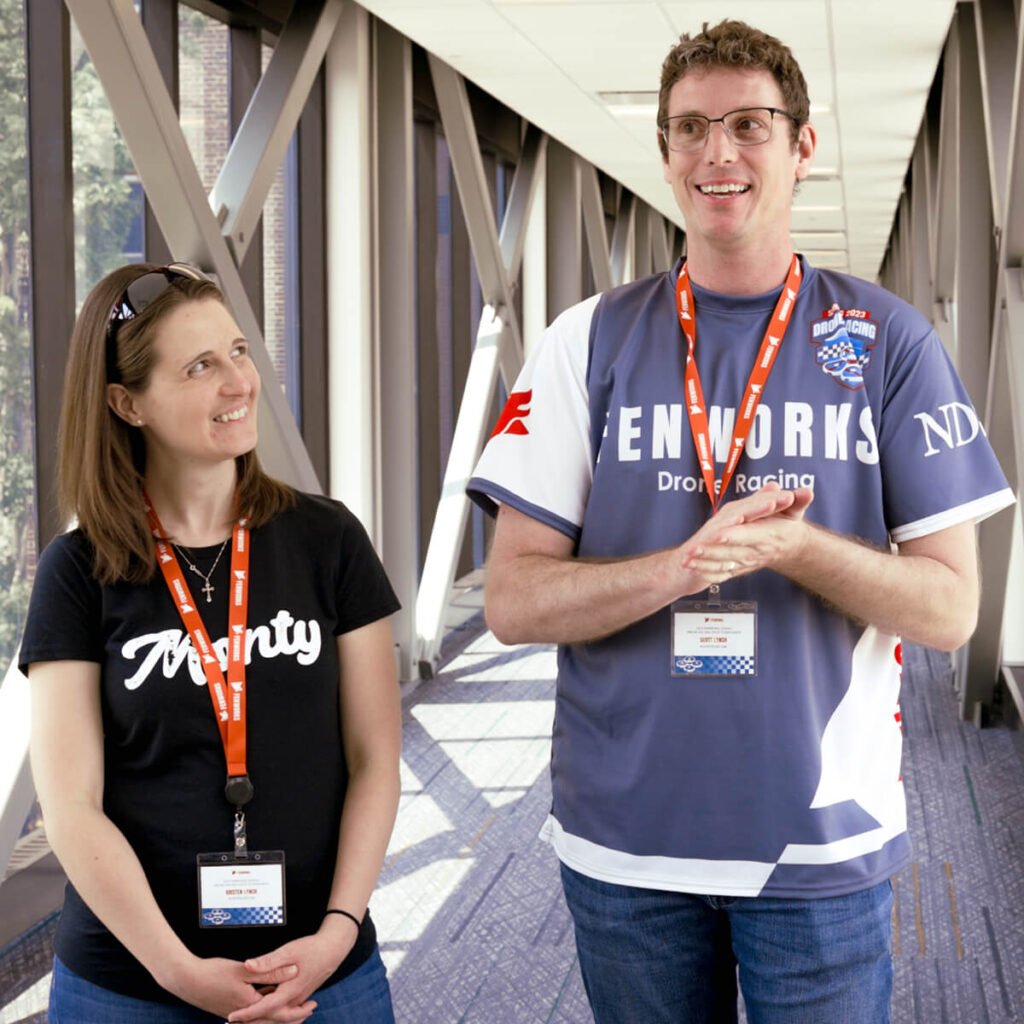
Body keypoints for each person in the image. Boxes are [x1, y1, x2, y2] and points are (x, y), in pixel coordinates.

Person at [468, 18, 1014, 1024]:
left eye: (748, 125)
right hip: (623, 838)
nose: (717, 153)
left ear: (802, 146)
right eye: (689, 129)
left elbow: (948, 611)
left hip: (821, 840)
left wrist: (798, 548)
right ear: (668, 153)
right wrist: (679, 567)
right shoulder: (582, 342)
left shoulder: (888, 341)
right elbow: (510, 598)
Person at [20, 262, 402, 1023]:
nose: (239, 383)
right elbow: (71, 808)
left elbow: (374, 760)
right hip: (130, 986)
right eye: (200, 366)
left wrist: (336, 932)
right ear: (127, 404)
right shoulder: (79, 572)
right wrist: (177, 970)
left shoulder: (329, 542)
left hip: (322, 972)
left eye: (238, 352)